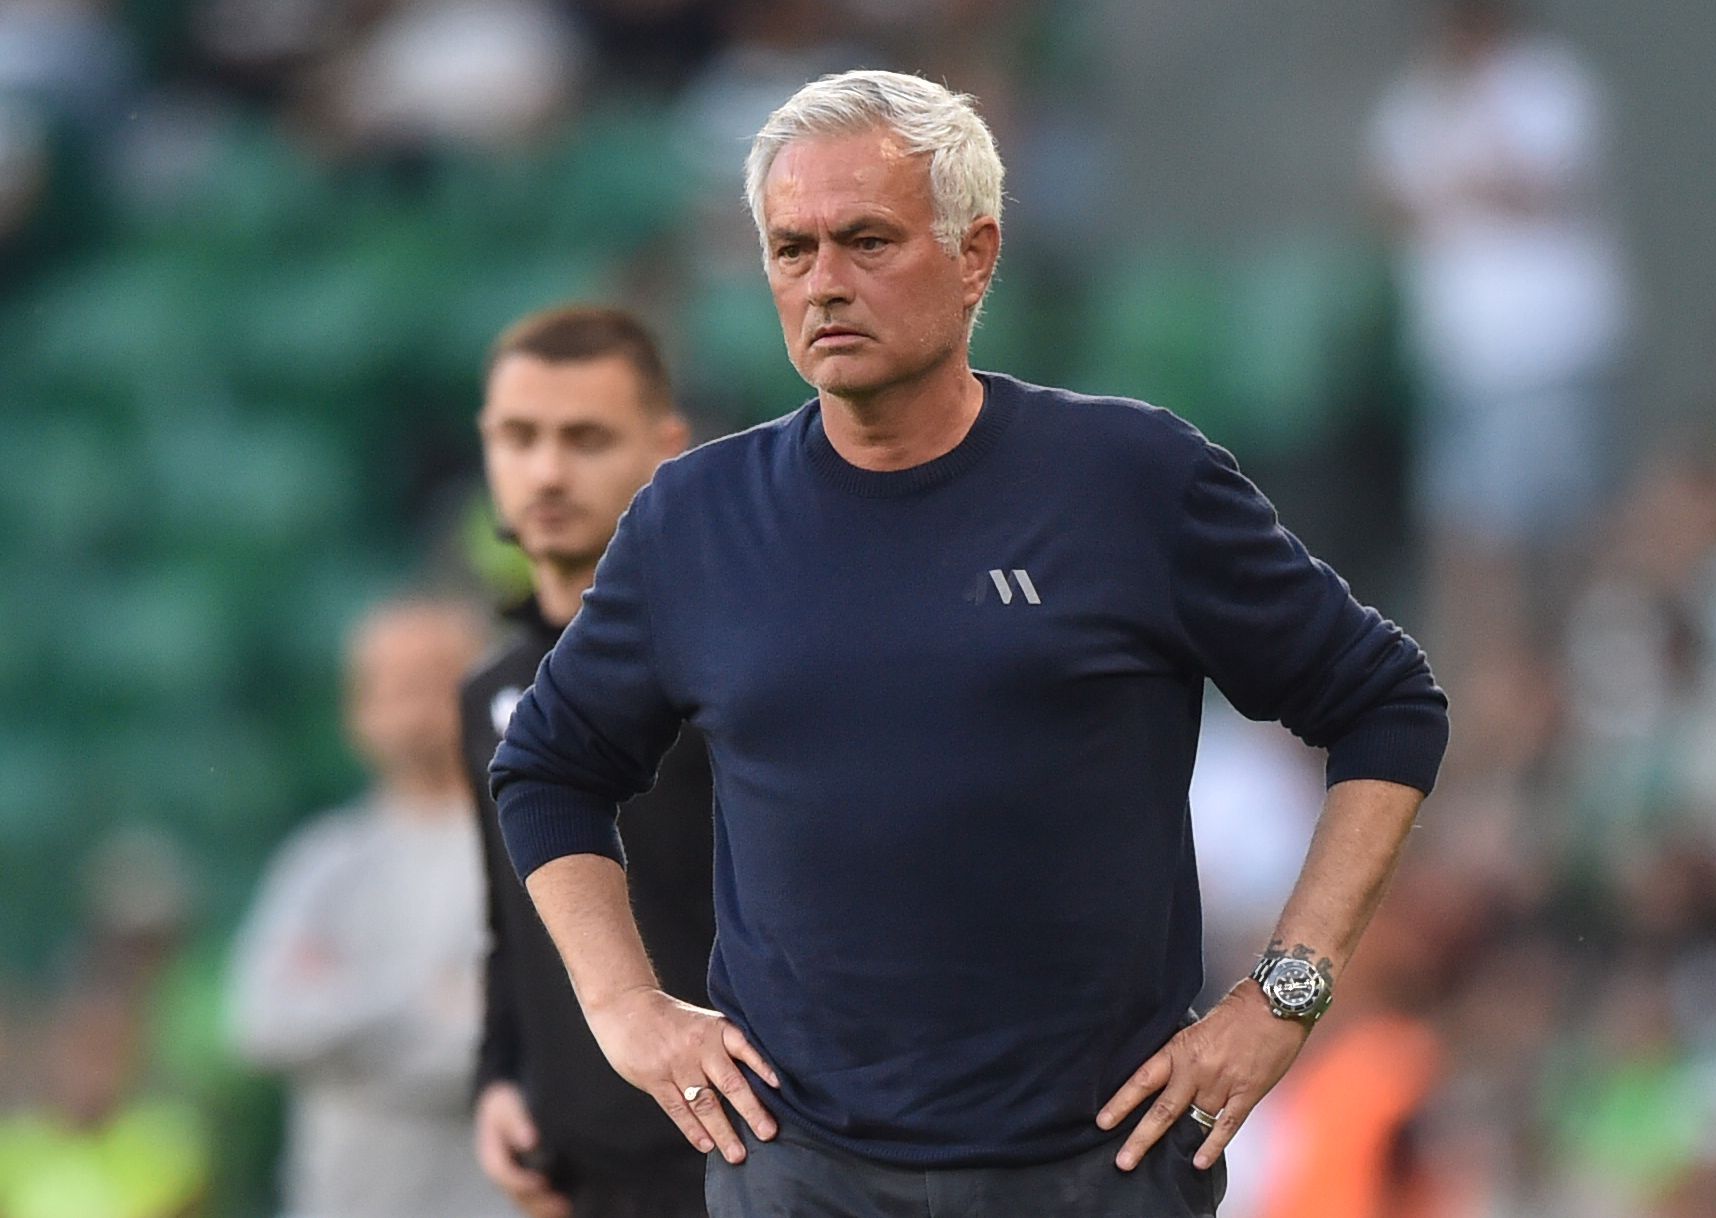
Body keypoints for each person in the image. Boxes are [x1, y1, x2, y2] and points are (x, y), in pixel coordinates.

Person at [491, 70, 1449, 1218]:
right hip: (801, 1171)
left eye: (866, 241)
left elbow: (1387, 705)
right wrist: (623, 1009)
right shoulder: (692, 520)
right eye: (791, 250)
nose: (824, 283)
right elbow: (548, 769)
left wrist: (1282, 996)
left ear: (976, 254)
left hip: (1101, 1166)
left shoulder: (1131, 482)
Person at [463, 305, 714, 1218]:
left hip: (740, 1166)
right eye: (518, 437)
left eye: (586, 437)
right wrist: (498, 1078)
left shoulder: (732, 669)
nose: (546, 471)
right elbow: (510, 925)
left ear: (666, 446)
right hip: (575, 1183)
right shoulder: (486, 690)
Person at [1366, 0, 1627, 674]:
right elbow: (1389, 199)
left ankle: (1569, 682)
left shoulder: (1544, 82)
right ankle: (1486, 693)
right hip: (1459, 357)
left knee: (1561, 533)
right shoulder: (1415, 98)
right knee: (1470, 542)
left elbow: (1535, 183)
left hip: (1540, 350)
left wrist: (1462, 178)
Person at [228, 598, 509, 1218]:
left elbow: (510, 1040)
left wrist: (348, 1025)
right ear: (357, 709)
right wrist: (428, 998)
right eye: (390, 686)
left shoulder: (529, 855)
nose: (410, 707)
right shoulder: (322, 863)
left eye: (432, 682)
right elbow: (263, 1022)